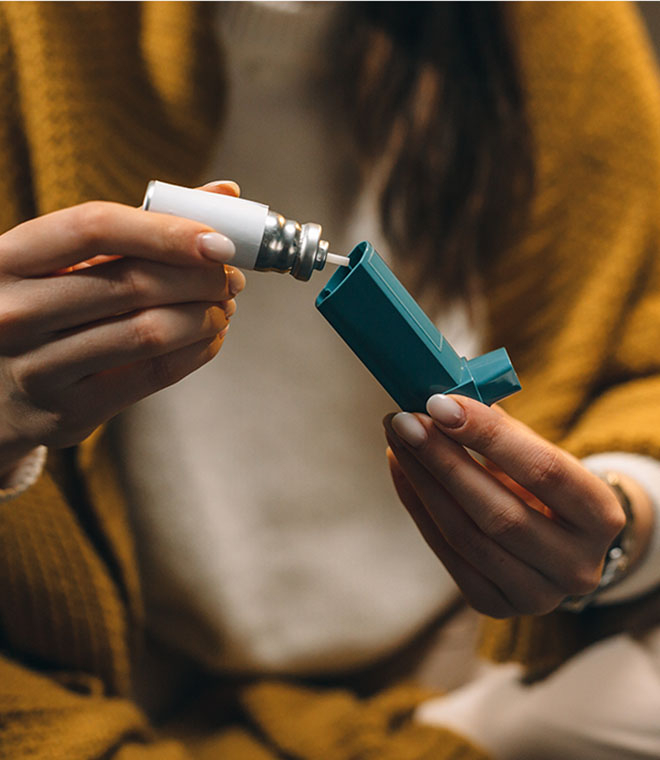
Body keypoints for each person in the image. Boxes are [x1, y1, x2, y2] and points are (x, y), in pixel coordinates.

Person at [2, 2, 660, 759]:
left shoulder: (555, 27)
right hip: (102, 679)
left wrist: (620, 522)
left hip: (468, 665)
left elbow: (639, 353)